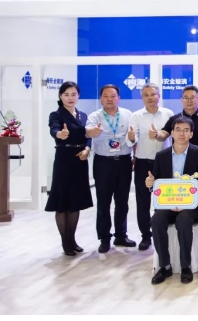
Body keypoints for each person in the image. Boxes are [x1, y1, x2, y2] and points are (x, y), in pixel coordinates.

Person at [148, 116, 198, 285]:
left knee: (183, 221)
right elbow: (157, 183)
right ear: (172, 133)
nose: (181, 134)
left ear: (191, 134)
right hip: (167, 203)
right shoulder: (161, 155)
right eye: (178, 130)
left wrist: (184, 203)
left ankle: (185, 266)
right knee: (156, 220)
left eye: (186, 130)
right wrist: (150, 184)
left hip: (191, 204)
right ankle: (165, 266)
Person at [86, 84, 136, 253]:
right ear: (101, 98)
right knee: (103, 202)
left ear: (118, 98)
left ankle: (121, 235)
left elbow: (133, 137)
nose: (109, 99)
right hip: (103, 163)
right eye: (106, 96)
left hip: (123, 161)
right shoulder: (95, 116)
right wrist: (92, 131)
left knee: (122, 201)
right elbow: (88, 132)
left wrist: (133, 145)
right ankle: (104, 238)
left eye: (113, 96)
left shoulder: (128, 115)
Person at [46, 81, 93, 255]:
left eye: (73, 94)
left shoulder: (83, 115)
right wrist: (60, 134)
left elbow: (88, 136)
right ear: (60, 96)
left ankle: (72, 240)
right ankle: (65, 242)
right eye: (66, 94)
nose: (70, 98)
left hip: (80, 160)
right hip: (64, 160)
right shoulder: (56, 114)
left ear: (78, 95)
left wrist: (87, 149)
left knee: (75, 202)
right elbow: (54, 130)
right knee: (63, 202)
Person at [126, 83, 173, 251]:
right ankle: (146, 236)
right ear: (142, 98)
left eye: (153, 94)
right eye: (146, 95)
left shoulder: (168, 114)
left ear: (159, 95)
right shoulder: (136, 116)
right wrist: (131, 137)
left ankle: (163, 233)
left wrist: (158, 135)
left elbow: (170, 135)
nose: (150, 97)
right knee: (143, 202)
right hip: (143, 163)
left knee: (164, 200)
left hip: (164, 163)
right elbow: (131, 140)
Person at [156, 85, 198, 150]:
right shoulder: (174, 119)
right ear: (182, 100)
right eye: (186, 98)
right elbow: (164, 134)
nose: (189, 101)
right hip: (177, 155)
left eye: (192, 98)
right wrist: (157, 134)